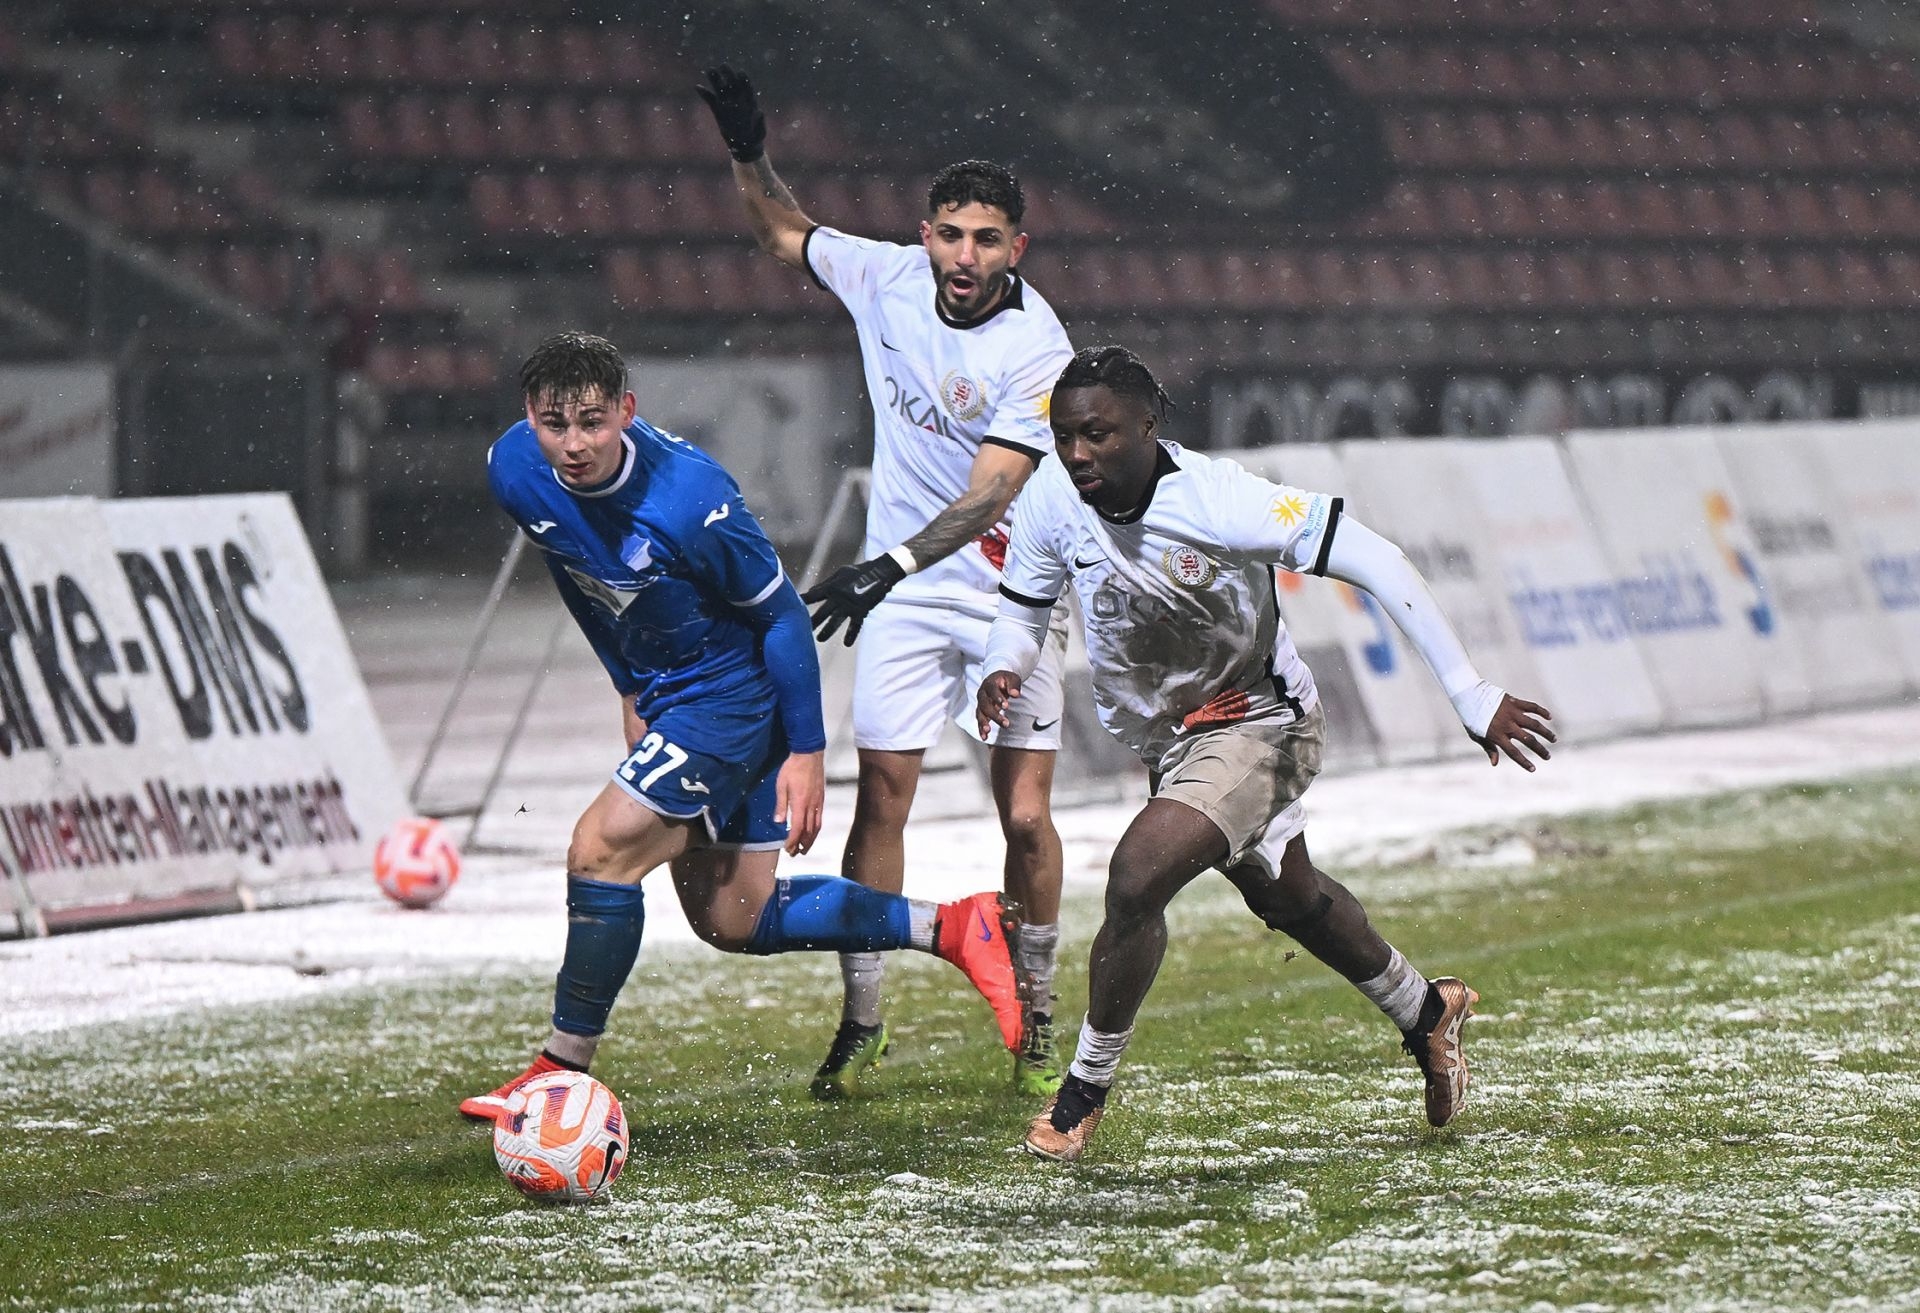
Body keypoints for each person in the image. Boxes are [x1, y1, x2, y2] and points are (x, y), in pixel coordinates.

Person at [976, 345, 1556, 1161]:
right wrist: (1003, 665)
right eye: (1065, 435)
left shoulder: (1221, 500)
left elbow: (1378, 558)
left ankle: (1081, 1093)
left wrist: (1470, 691)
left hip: (1259, 721)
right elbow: (1022, 610)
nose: (1078, 453)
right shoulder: (1051, 497)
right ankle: (1427, 1011)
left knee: (1137, 876)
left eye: (1098, 434)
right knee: (1291, 899)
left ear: (1148, 425)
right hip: (1170, 738)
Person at [458, 331, 1024, 1122]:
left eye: (592, 421)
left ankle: (559, 1071)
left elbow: (784, 617)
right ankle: (958, 927)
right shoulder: (515, 468)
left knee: (600, 851)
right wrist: (631, 682)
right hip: (673, 691)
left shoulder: (692, 499)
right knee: (736, 917)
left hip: (734, 698)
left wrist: (807, 751)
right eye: (556, 424)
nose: (574, 443)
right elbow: (578, 573)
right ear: (529, 416)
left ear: (627, 410)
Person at [699, 65, 1077, 1099]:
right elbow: (784, 232)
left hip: (1011, 588)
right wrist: (747, 150)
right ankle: (862, 1018)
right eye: (951, 234)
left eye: (986, 239)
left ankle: (1037, 1009)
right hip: (904, 591)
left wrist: (891, 561)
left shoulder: (1037, 347)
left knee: (1025, 815)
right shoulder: (885, 277)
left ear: (1017, 249)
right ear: (926, 237)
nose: (965, 256)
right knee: (884, 797)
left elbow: (993, 492)